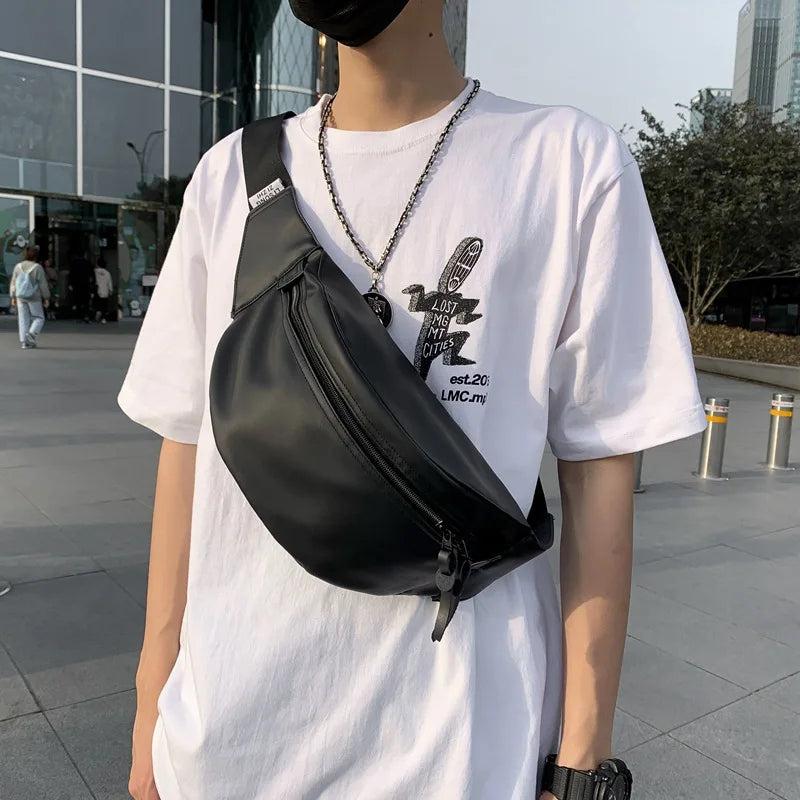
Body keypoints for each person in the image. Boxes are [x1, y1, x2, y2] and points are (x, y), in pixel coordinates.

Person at [119, 3, 707, 799]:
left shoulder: (568, 163)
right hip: (229, 740)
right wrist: (152, 704)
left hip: (462, 747)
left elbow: (600, 470)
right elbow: (188, 446)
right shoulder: (229, 176)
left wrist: (582, 758)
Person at [10, 245, 50, 349]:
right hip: (34, 297)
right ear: (36, 256)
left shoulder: (18, 266)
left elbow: (13, 282)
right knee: (39, 318)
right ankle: (31, 336)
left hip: (20, 297)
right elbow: (43, 284)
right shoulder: (37, 267)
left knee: (23, 319)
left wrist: (13, 297)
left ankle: (24, 342)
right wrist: (46, 297)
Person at [68, 250, 94, 322]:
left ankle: (79, 316)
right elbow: (91, 275)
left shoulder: (74, 263)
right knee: (86, 301)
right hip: (85, 284)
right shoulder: (87, 263)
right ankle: (86, 315)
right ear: (84, 255)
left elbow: (71, 274)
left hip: (76, 285)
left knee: (77, 300)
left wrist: (70, 284)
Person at [93, 257, 114, 324]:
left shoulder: (95, 271)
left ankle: (98, 312)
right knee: (104, 305)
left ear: (97, 264)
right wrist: (111, 290)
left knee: (97, 304)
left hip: (97, 291)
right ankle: (103, 318)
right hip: (105, 291)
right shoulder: (107, 273)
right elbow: (109, 283)